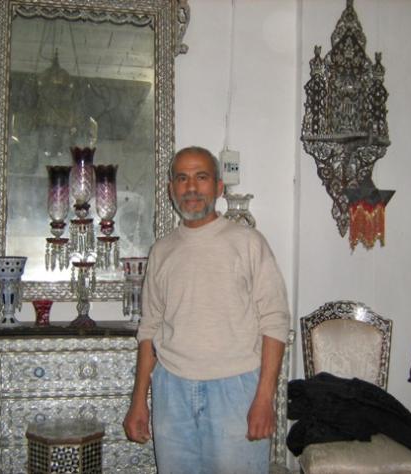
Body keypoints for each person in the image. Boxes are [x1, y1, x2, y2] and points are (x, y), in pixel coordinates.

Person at [123, 146, 290, 474]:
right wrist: (138, 400)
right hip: (171, 391)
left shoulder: (248, 243)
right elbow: (149, 329)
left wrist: (264, 397)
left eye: (201, 177)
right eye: (182, 178)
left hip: (236, 390)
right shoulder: (162, 251)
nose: (191, 187)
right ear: (171, 189)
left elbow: (275, 321)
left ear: (219, 187)